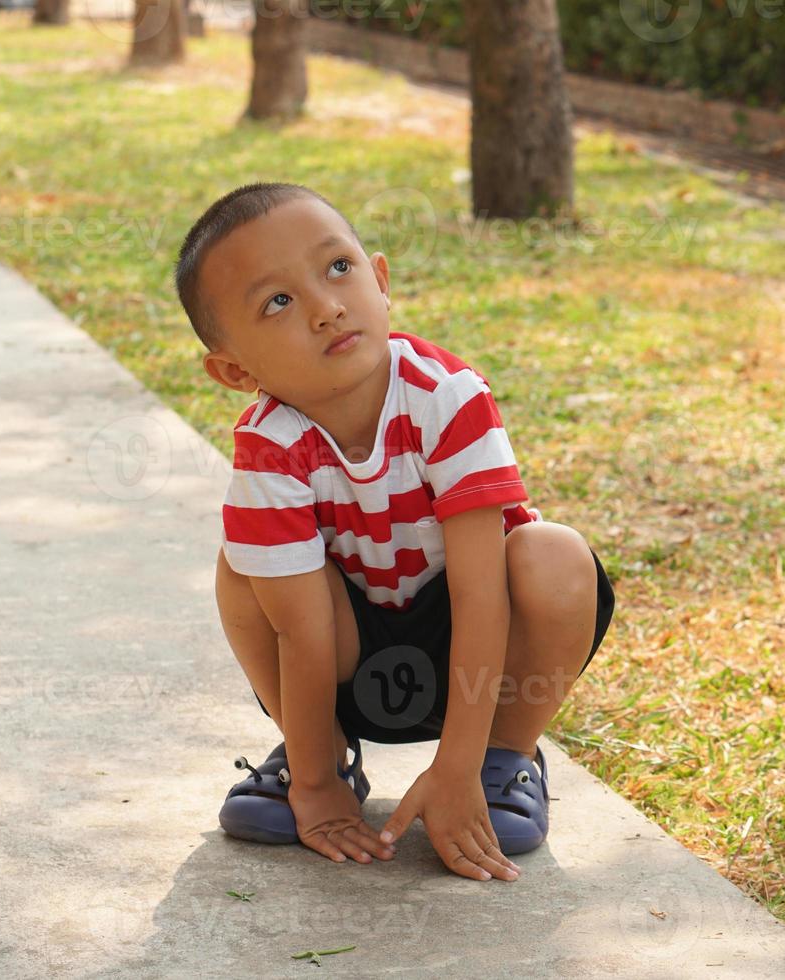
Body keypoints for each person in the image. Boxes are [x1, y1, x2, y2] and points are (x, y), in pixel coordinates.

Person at [172, 181, 614, 882]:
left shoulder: (446, 397)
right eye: (277, 302)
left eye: (338, 268)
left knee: (553, 554)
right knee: (242, 568)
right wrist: (315, 786)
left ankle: (505, 760)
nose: (325, 308)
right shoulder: (269, 445)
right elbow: (302, 631)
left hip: (476, 650)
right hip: (349, 651)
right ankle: (319, 754)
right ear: (235, 371)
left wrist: (457, 767)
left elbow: (479, 595)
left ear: (380, 280)